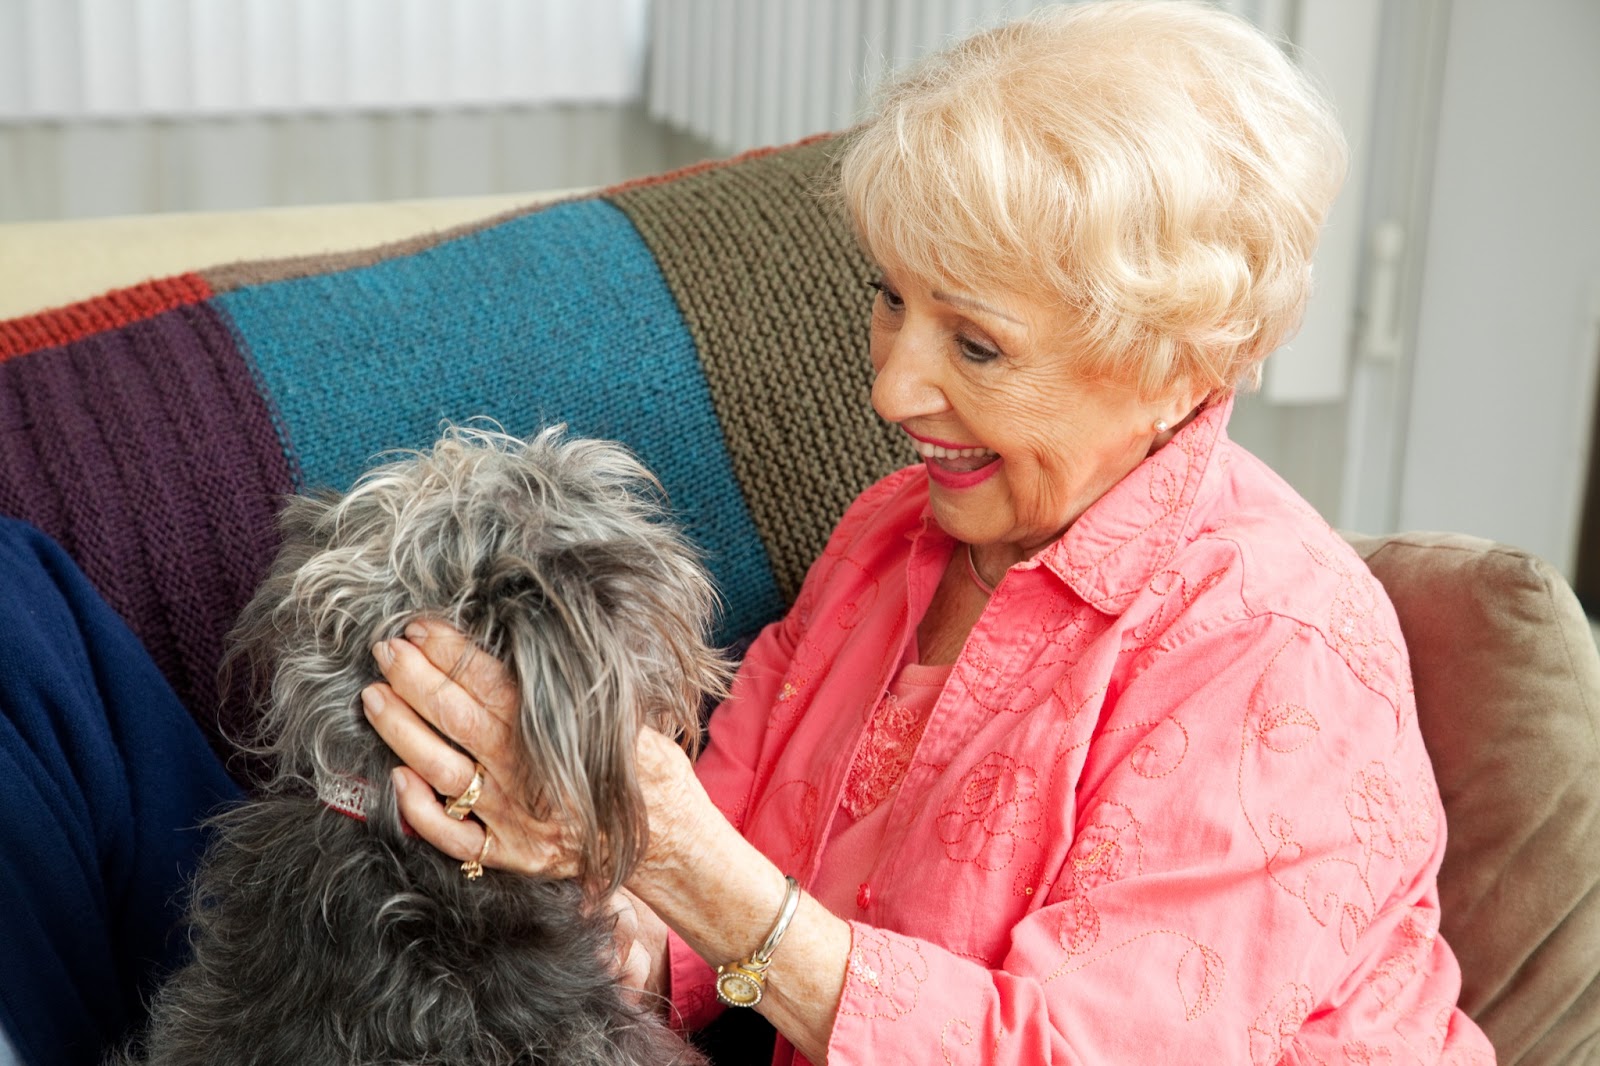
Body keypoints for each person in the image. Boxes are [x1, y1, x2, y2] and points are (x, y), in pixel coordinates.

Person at [362, 3, 1496, 1063]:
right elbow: (701, 907)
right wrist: (544, 860)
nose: (894, 390)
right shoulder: (891, 534)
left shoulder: (1274, 648)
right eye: (892, 297)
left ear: (1175, 368)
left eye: (977, 346)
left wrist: (659, 845)